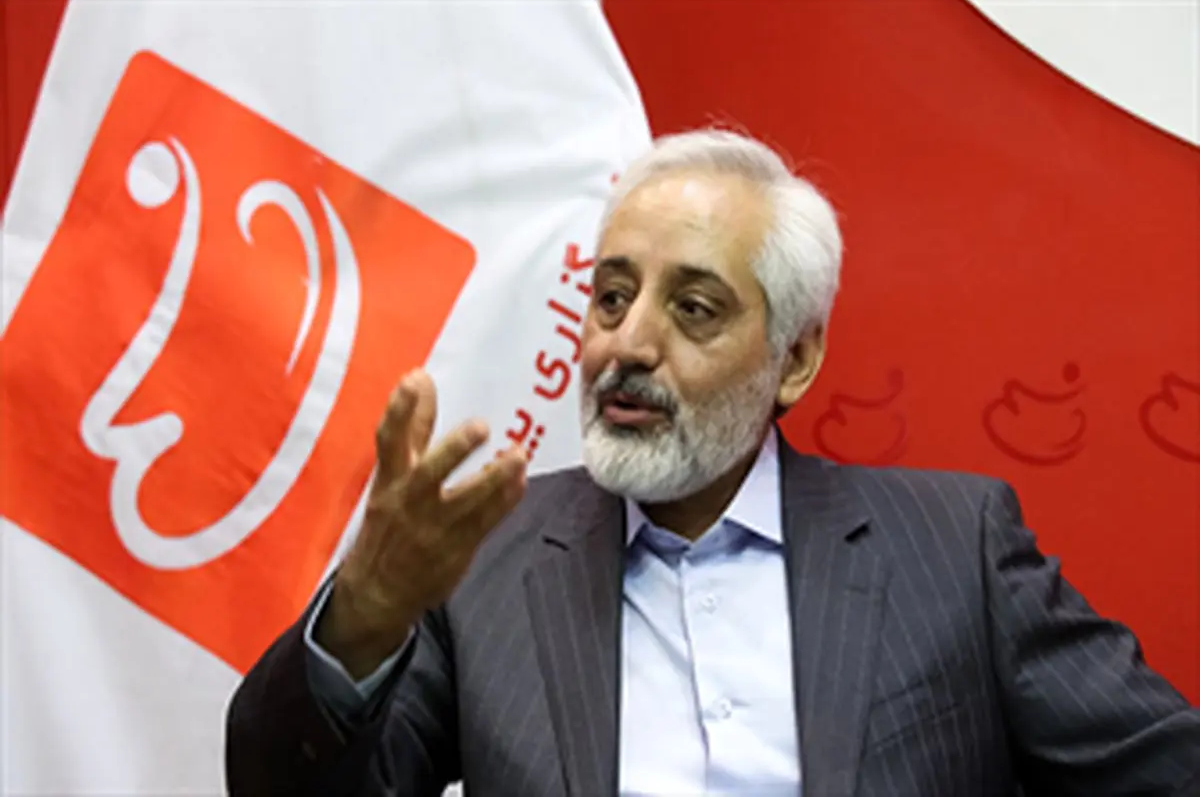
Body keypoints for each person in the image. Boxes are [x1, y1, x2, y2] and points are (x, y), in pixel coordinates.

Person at [225, 129, 1199, 797]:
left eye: (693, 309)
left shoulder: (955, 547)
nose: (628, 344)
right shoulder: (486, 559)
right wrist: (362, 617)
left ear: (795, 360)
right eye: (612, 298)